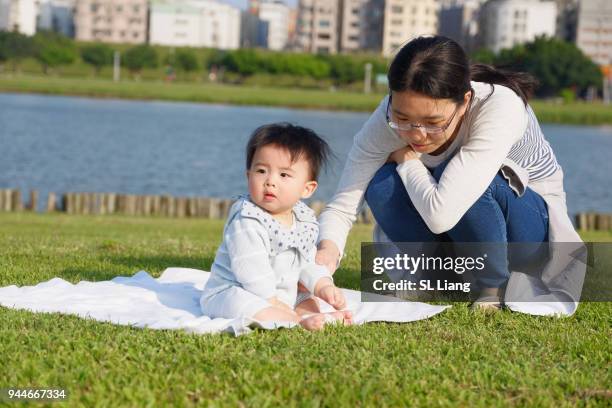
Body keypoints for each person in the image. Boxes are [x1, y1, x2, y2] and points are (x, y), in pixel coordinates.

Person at [315, 36, 581, 310]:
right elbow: (342, 206)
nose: (416, 134)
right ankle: (436, 279)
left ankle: (492, 288)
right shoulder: (385, 120)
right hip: (463, 237)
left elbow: (441, 215)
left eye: (433, 123)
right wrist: (326, 253)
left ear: (465, 101)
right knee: (381, 184)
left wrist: (408, 161)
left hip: (528, 238)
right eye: (402, 119)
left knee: (473, 181)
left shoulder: (500, 107)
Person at [200, 123, 353, 330]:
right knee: (246, 304)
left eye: (284, 175)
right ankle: (296, 322)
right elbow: (250, 269)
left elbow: (307, 261)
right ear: (248, 176)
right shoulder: (247, 218)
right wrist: (271, 301)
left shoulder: (303, 220)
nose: (270, 181)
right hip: (235, 290)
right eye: (261, 171)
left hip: (283, 292)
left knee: (306, 298)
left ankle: (311, 317)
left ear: (307, 189)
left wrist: (323, 284)